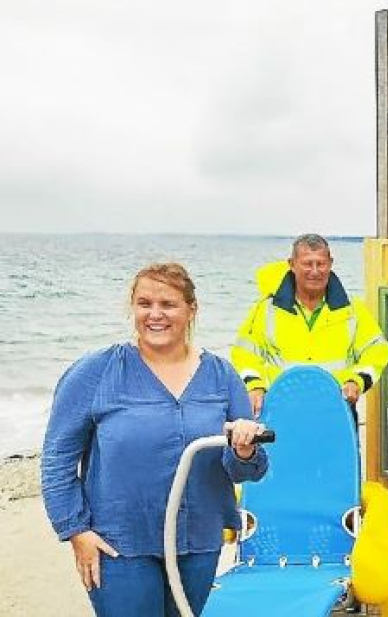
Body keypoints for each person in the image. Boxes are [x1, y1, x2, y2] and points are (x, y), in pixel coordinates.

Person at [41, 263, 269, 616]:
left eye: (168, 304)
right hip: (117, 544)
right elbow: (57, 459)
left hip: (198, 542)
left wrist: (244, 449)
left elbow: (248, 472)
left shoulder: (221, 376)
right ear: (132, 308)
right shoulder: (96, 372)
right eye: (144, 304)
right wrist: (75, 531)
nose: (155, 315)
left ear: (191, 310)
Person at [231, 234, 388, 418]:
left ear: (330, 263)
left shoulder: (352, 311)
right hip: (281, 412)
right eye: (307, 263)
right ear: (291, 264)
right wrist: (255, 386)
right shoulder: (266, 310)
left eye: (321, 263)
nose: (315, 271)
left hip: (336, 413)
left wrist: (357, 381)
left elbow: (378, 350)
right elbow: (244, 353)